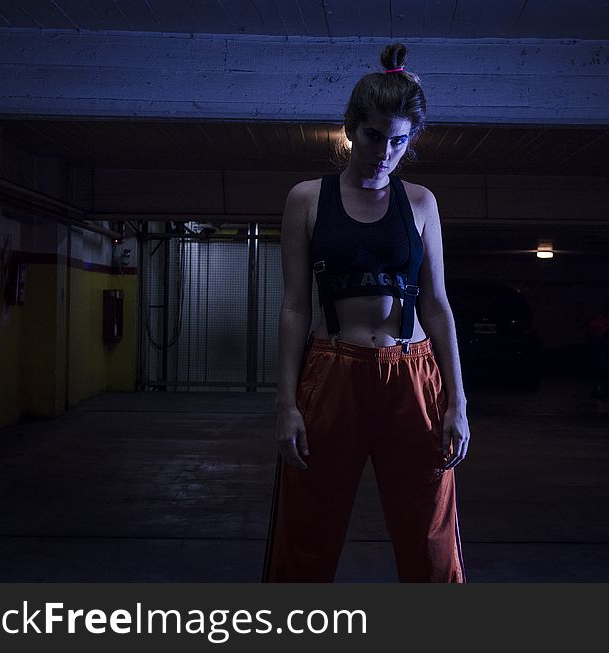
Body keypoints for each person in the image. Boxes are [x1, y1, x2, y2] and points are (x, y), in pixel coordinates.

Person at [263, 44, 470, 583]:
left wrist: (458, 402)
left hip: (412, 372)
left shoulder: (421, 203)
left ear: (410, 141)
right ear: (352, 128)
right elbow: (293, 306)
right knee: (307, 523)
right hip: (332, 371)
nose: (384, 151)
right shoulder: (307, 199)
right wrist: (286, 403)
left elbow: (438, 304)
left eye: (399, 140)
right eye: (375, 135)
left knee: (429, 528)